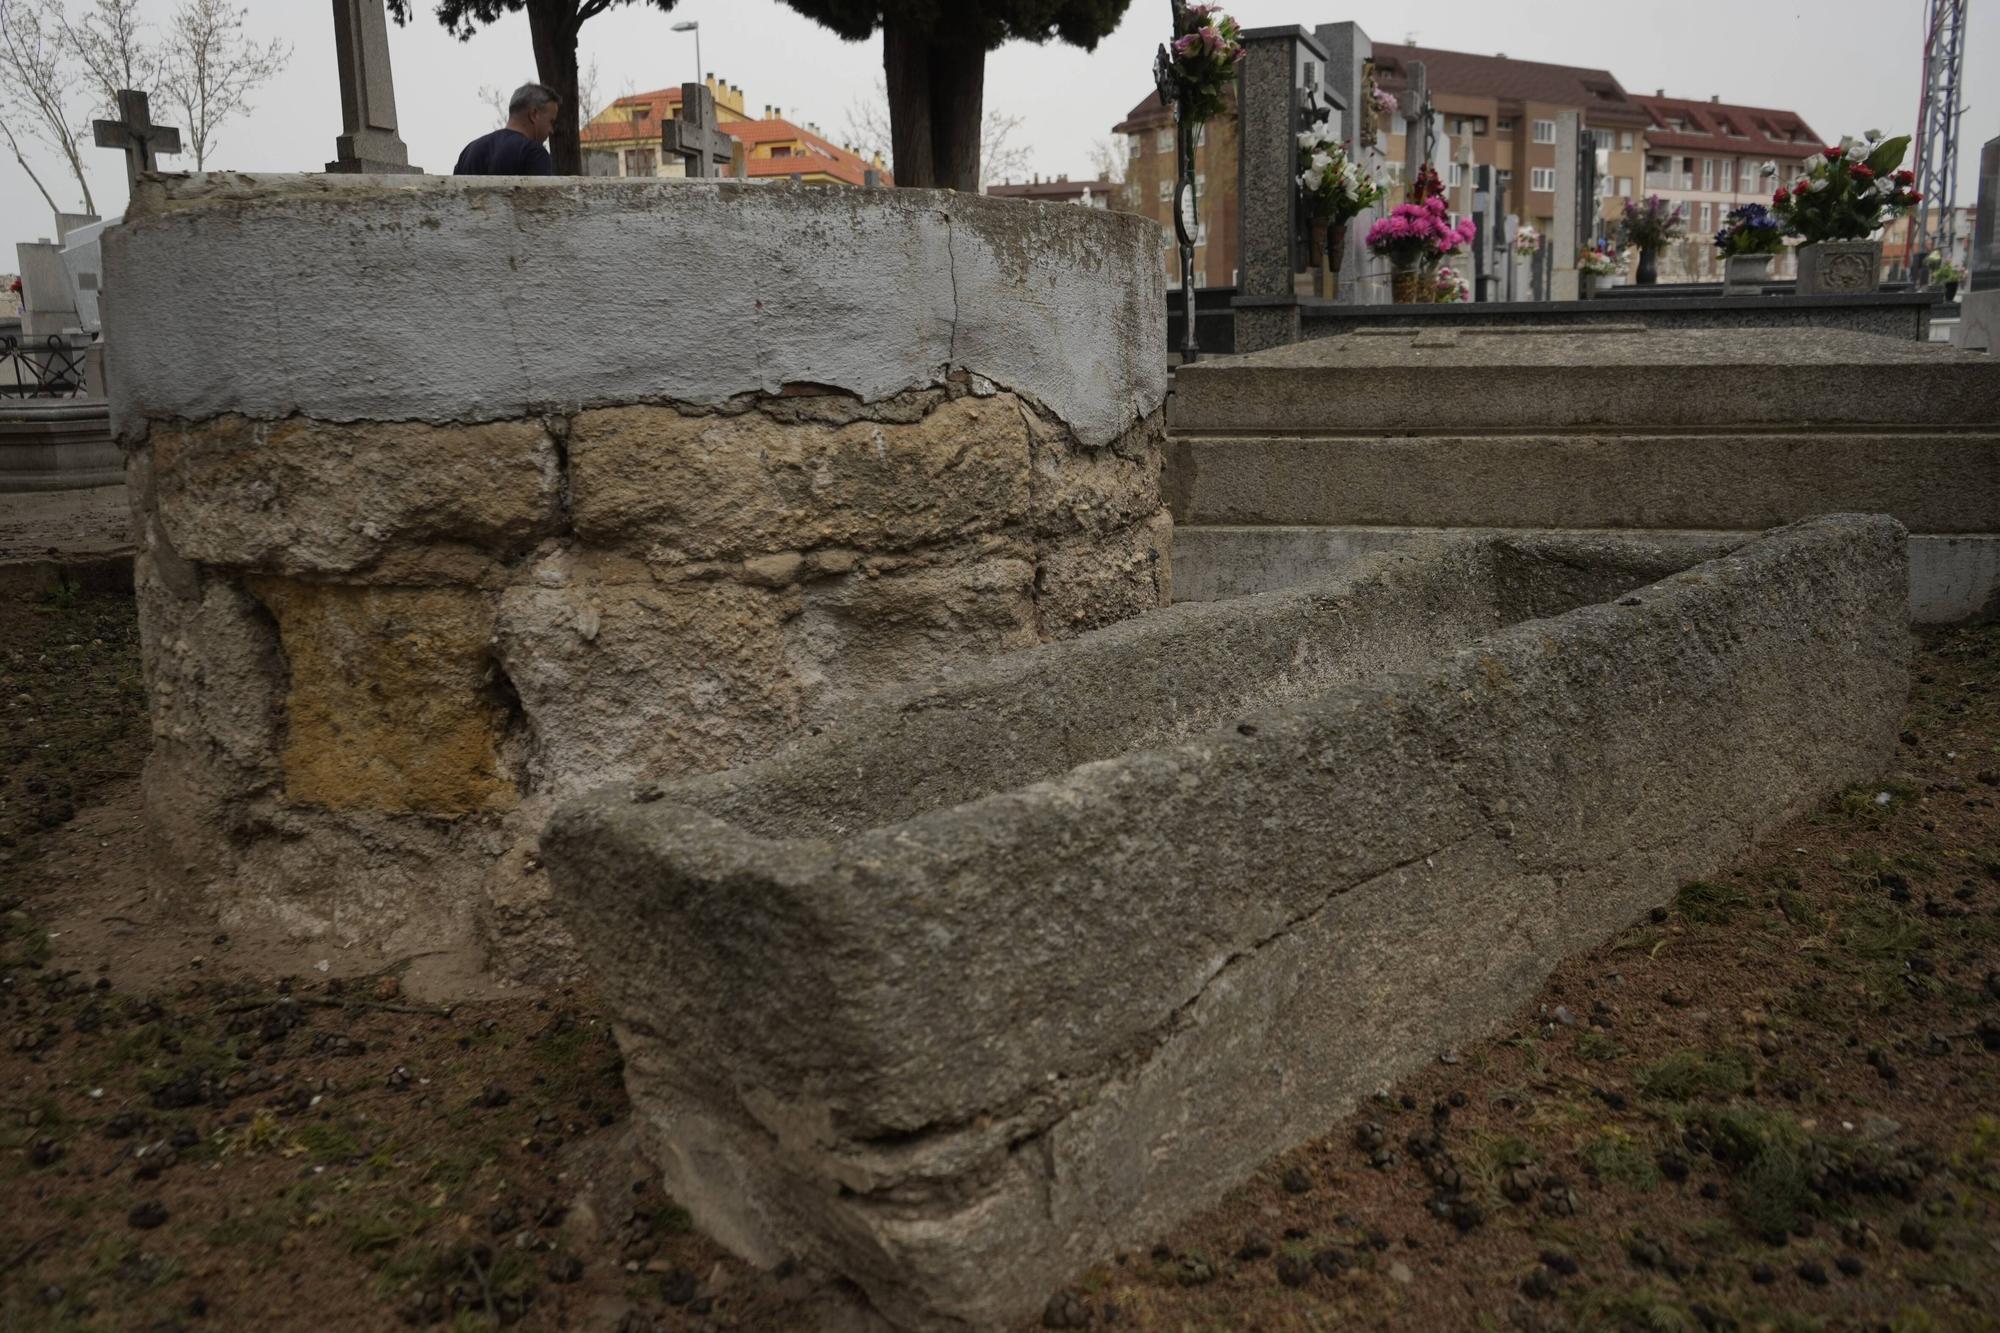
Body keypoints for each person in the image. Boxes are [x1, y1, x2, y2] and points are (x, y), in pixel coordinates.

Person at [455, 83, 559, 176]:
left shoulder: (468, 152)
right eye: (551, 122)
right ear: (534, 114)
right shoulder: (533, 153)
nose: (551, 130)